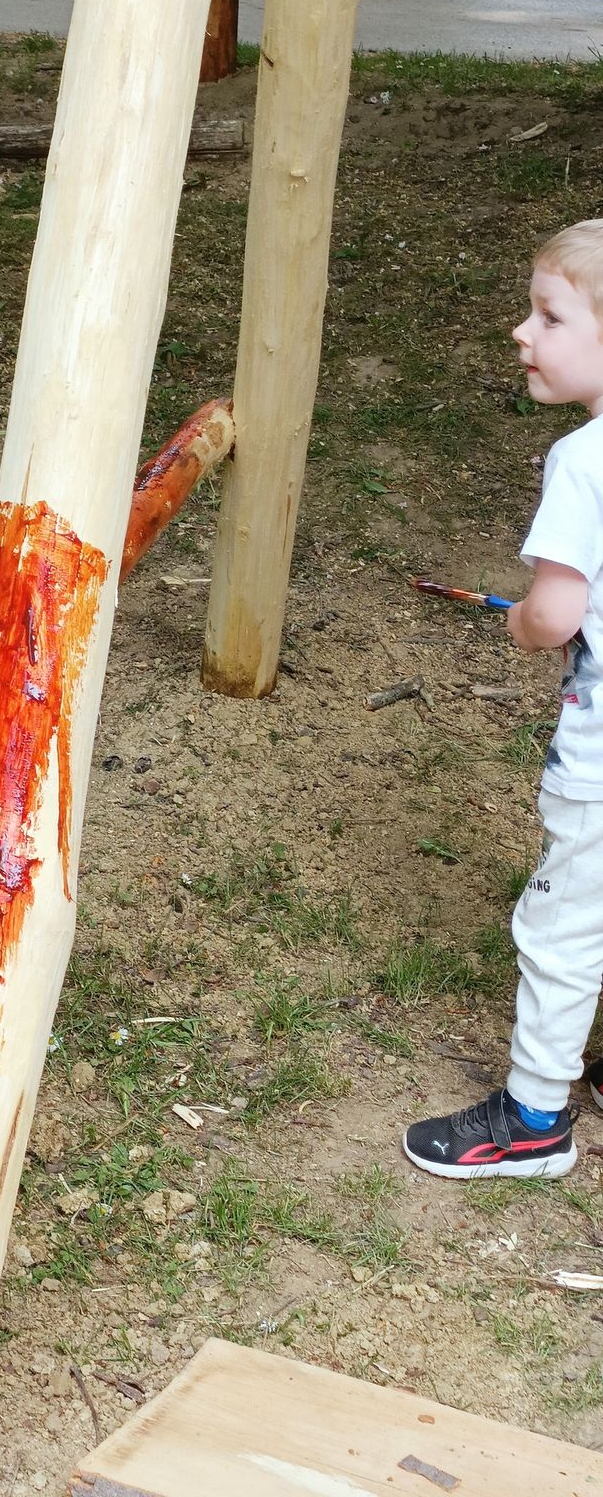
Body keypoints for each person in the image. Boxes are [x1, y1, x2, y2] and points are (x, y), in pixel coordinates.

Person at [403, 219, 603, 1181]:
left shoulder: (583, 461)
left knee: (563, 925)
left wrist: (523, 622)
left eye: (549, 315)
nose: (522, 332)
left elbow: (556, 615)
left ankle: (533, 1120)